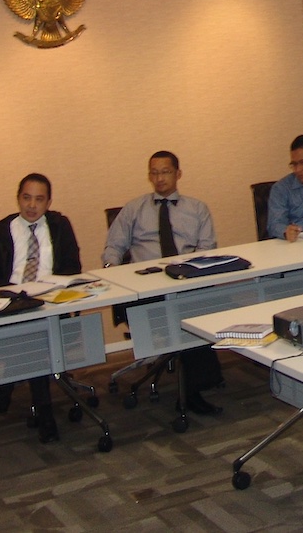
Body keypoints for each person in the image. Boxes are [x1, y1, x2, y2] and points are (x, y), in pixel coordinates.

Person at [104, 151, 223, 415]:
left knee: (192, 310)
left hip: (186, 282)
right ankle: (195, 390)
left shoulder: (197, 209)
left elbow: (207, 250)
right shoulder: (134, 209)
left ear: (178, 174)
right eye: (154, 173)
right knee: (184, 315)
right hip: (147, 288)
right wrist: (112, 272)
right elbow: (114, 246)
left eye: (165, 172)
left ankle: (193, 387)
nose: (159, 178)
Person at [0, 173, 82, 442]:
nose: (32, 205)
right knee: (33, 337)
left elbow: (73, 268)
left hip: (51, 304)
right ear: (18, 198)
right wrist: (18, 296)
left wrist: (49, 289)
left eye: (39, 199)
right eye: (26, 198)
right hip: (13, 306)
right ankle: (45, 413)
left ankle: (6, 390)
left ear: (49, 202)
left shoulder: (59, 226)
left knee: (32, 336)